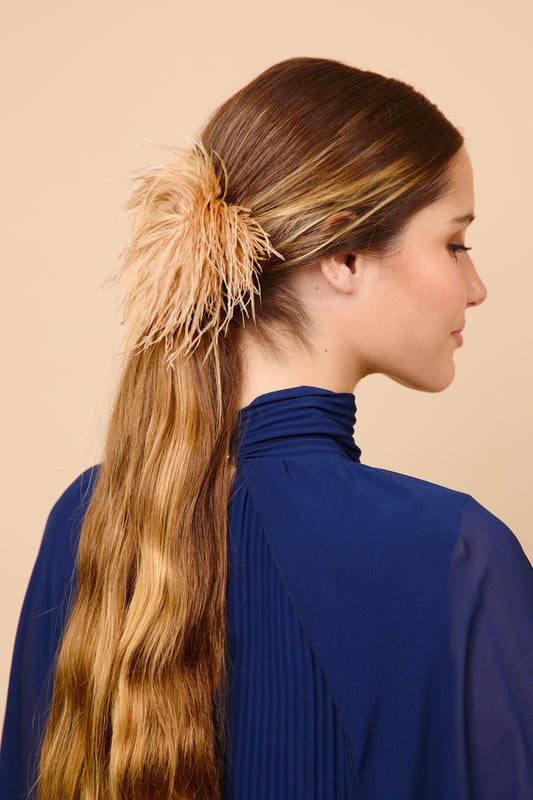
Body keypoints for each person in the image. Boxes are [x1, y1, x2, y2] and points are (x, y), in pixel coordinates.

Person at [1, 56, 533, 800]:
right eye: (454, 243)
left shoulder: (90, 519)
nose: (475, 288)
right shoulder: (457, 554)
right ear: (344, 255)